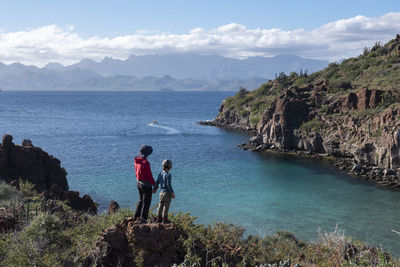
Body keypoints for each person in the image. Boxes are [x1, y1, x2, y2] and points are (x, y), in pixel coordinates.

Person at [133, 145, 155, 221]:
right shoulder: (146, 163)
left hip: (138, 183)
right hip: (146, 185)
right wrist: (155, 185)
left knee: (141, 202)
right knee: (146, 204)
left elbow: (137, 173)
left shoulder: (136, 161)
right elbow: (149, 176)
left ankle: (135, 218)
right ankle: (142, 220)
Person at [153, 159, 175, 223]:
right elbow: (168, 185)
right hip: (167, 193)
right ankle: (165, 219)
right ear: (169, 167)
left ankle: (158, 218)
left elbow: (157, 182)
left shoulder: (160, 174)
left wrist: (154, 189)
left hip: (161, 193)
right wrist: (172, 193)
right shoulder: (168, 175)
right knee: (166, 206)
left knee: (160, 205)